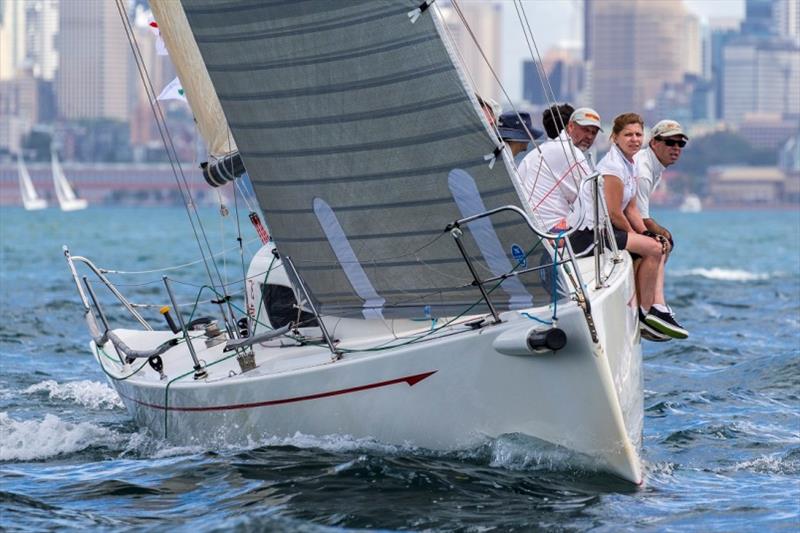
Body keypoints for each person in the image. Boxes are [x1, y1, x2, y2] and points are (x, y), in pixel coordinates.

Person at [570, 113, 688, 341]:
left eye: (638, 135)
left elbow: (632, 209)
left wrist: (644, 234)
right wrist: (639, 239)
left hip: (606, 231)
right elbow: (614, 212)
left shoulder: (630, 164)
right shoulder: (613, 167)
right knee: (653, 249)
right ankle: (645, 312)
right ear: (615, 137)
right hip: (588, 234)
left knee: (653, 244)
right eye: (628, 135)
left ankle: (653, 308)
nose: (634, 139)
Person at [518, 106, 601, 233]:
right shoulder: (571, 153)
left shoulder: (532, 155)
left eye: (593, 133)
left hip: (526, 228)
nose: (589, 136)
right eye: (585, 130)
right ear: (570, 126)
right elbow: (595, 196)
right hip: (551, 232)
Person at [635, 119, 689, 252]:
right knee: (660, 245)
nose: (676, 147)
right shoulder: (643, 171)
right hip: (604, 228)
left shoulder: (654, 166)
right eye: (670, 142)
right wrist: (665, 234)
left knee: (662, 243)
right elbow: (641, 218)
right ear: (654, 143)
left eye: (680, 143)